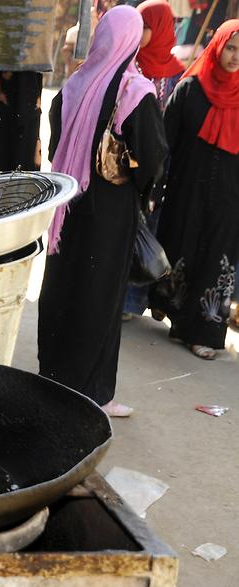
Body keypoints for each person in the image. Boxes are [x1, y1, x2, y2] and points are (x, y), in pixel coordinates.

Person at [38, 6, 168, 418]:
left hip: (67, 207)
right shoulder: (135, 92)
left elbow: (59, 139)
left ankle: (53, 376)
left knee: (64, 287)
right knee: (99, 297)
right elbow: (152, 157)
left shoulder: (74, 85)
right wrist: (145, 193)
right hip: (110, 214)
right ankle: (93, 393)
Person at [149, 20, 239, 360]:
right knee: (181, 249)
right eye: (230, 47)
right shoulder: (190, 90)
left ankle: (204, 332)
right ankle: (172, 312)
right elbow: (163, 143)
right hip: (187, 191)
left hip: (230, 199)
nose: (234, 57)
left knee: (217, 261)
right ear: (216, 47)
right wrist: (154, 189)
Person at [122, 0, 186, 319]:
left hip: (163, 166)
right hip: (132, 161)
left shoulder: (177, 76)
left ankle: (136, 301)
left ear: (161, 29)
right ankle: (124, 300)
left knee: (151, 230)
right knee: (130, 228)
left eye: (148, 26)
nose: (142, 32)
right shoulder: (129, 64)